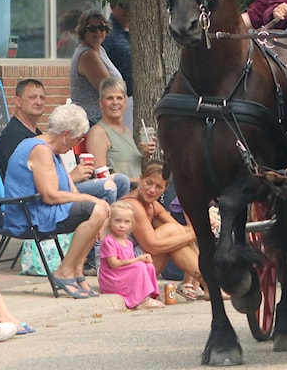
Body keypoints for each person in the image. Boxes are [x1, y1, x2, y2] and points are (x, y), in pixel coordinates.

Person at [2, 103, 111, 299]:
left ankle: (77, 271)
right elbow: (50, 195)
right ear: (66, 134)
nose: (75, 145)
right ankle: (64, 271)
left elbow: (72, 190)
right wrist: (91, 200)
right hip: (30, 214)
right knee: (96, 208)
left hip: (44, 210)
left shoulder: (54, 151)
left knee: (101, 209)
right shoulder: (40, 150)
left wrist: (98, 205)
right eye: (77, 139)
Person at [0, 78, 130, 204]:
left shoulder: (37, 133)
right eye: (32, 97)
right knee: (107, 187)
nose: (39, 102)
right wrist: (73, 176)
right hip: (37, 201)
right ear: (18, 101)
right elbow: (24, 183)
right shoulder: (15, 137)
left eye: (42, 97)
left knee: (121, 181)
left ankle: (120, 220)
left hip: (61, 186)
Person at [121, 163, 206, 301]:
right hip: (120, 273)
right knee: (174, 233)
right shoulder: (132, 204)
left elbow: (180, 230)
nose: (152, 190)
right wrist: (194, 233)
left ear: (165, 189)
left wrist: (199, 227)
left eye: (159, 187)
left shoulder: (153, 205)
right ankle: (208, 283)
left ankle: (201, 283)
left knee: (176, 232)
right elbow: (151, 246)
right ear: (140, 179)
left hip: (138, 267)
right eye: (148, 183)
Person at [85, 78, 155, 186]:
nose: (115, 102)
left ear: (125, 102)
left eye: (119, 98)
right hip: (121, 197)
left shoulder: (126, 130)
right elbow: (102, 180)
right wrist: (140, 182)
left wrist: (146, 155)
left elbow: (138, 171)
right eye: (109, 98)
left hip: (140, 193)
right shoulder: (98, 132)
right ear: (100, 103)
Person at [98, 201, 163, 310]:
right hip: (112, 278)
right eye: (117, 221)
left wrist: (141, 260)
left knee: (148, 266)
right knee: (139, 266)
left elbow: (129, 265)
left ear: (131, 224)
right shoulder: (109, 241)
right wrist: (137, 260)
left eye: (126, 222)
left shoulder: (128, 243)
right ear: (109, 222)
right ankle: (142, 300)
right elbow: (114, 264)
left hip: (122, 275)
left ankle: (150, 295)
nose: (122, 225)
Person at [70, 8, 122, 126]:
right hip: (91, 120)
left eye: (101, 27)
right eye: (92, 29)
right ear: (83, 31)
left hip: (100, 119)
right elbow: (109, 91)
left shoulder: (99, 50)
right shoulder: (88, 55)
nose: (98, 32)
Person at [101, 2, 134, 134]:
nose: (128, 10)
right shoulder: (108, 35)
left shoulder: (138, 30)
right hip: (120, 100)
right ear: (112, 6)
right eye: (123, 6)